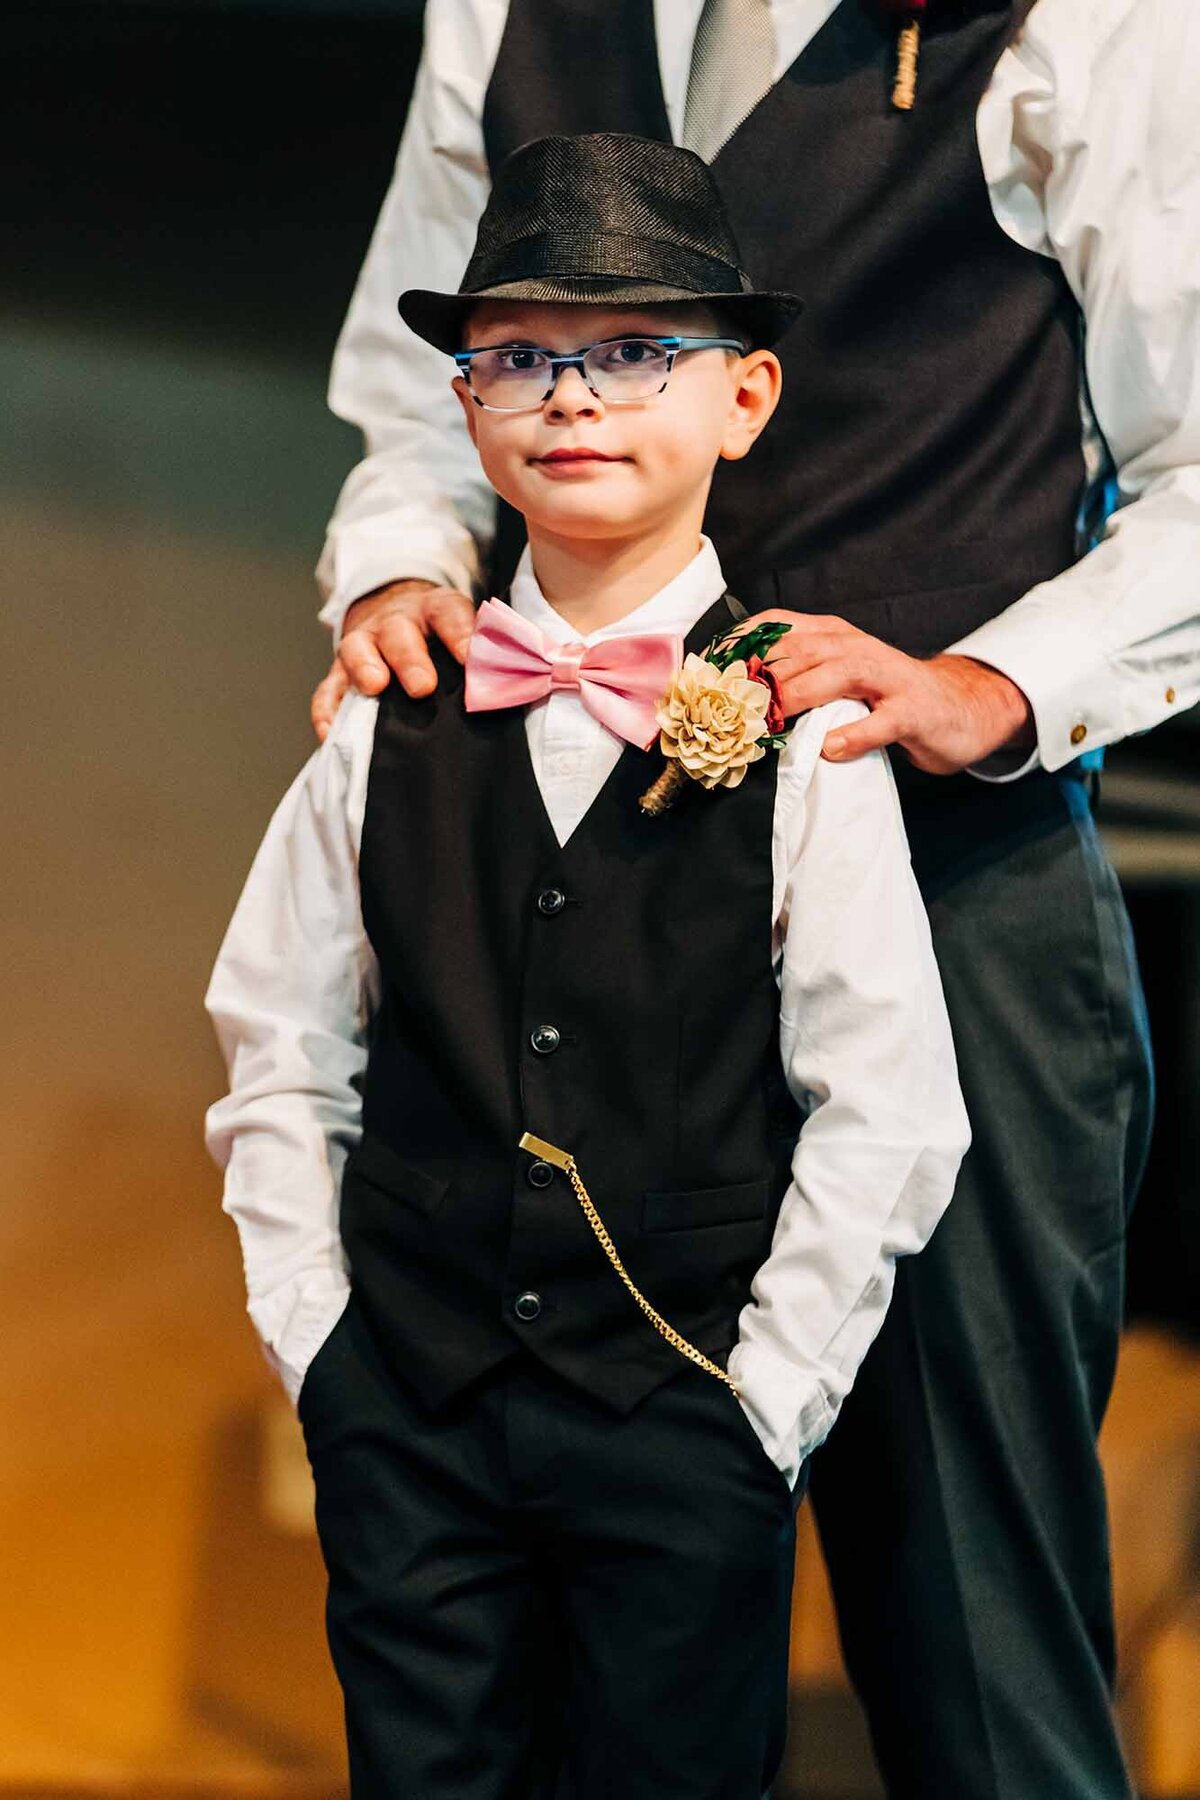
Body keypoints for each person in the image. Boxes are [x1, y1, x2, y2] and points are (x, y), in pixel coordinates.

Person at [308, 3, 1198, 1793]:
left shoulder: (1086, 13)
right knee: (530, 1627)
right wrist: (400, 568)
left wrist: (995, 682)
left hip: (943, 882)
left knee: (969, 1640)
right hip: (576, 885)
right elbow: (425, 381)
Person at [205, 132, 968, 1799]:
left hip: (679, 1418)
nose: (572, 396)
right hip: (409, 1409)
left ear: (745, 399)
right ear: (467, 406)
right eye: (521, 357)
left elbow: (890, 1105)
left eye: (634, 352)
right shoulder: (381, 724)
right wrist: (322, 1347)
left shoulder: (802, 734)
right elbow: (278, 1045)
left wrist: (761, 1404)